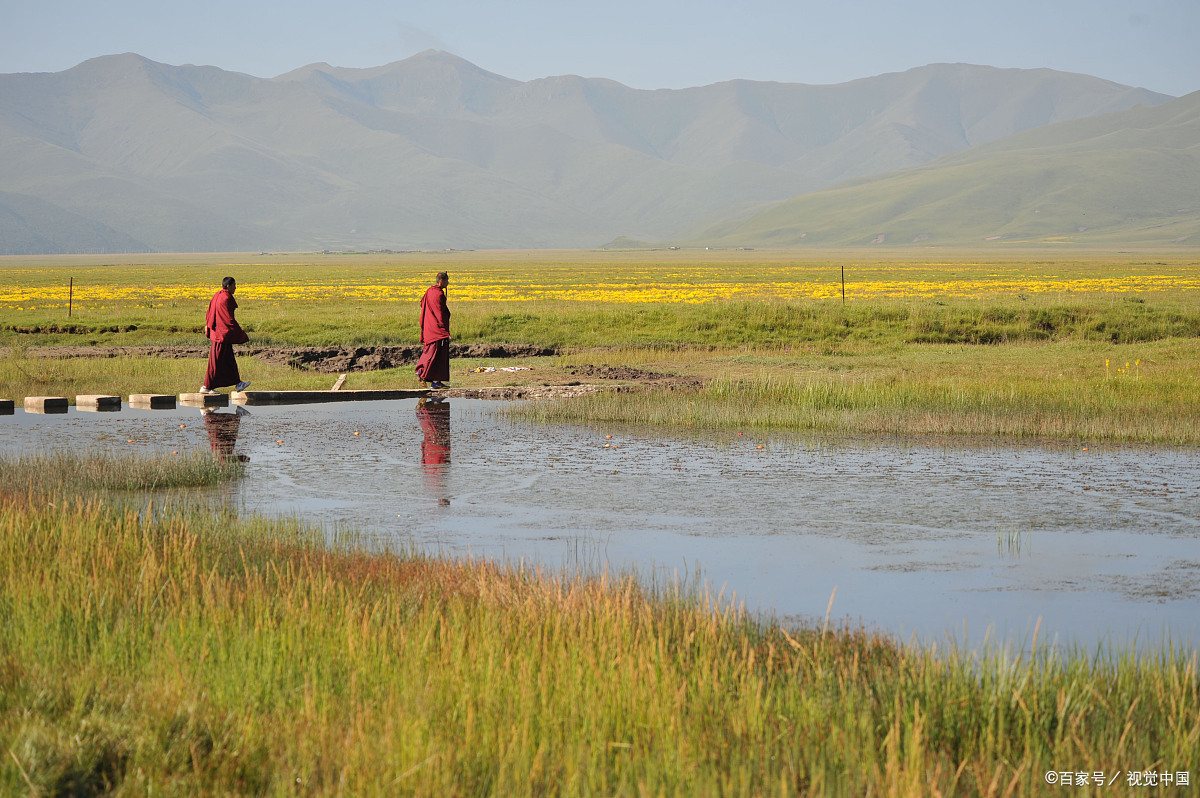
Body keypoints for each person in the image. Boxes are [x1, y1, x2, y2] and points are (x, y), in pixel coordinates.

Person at [201, 276, 251, 395]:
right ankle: (206, 386)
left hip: (218, 334)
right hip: (221, 335)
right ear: (228, 286)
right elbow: (228, 319)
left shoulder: (217, 295)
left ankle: (238, 384)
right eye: (234, 285)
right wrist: (240, 333)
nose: (235, 287)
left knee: (229, 360)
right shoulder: (226, 298)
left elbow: (209, 314)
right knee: (216, 362)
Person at [415, 271, 451, 389]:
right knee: (434, 354)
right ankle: (421, 373)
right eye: (447, 280)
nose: (448, 283)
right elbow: (439, 313)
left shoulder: (430, 291)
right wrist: (444, 331)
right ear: (441, 281)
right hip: (437, 330)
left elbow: (423, 304)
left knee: (433, 352)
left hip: (429, 328)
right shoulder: (438, 294)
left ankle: (436, 382)